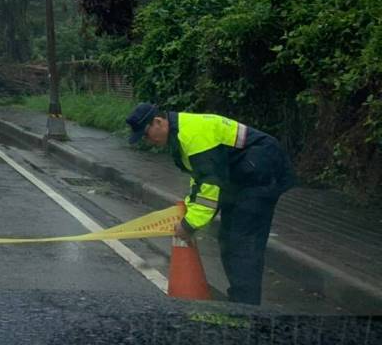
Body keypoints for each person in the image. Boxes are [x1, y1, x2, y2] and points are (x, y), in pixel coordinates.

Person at [126, 102, 296, 305]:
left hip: (260, 174)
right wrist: (189, 209)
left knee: (242, 243)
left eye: (146, 134)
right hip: (242, 177)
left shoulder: (194, 136)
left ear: (158, 121)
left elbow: (209, 186)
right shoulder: (181, 135)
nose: (147, 140)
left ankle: (246, 311)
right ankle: (241, 303)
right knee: (229, 239)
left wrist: (189, 225)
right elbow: (200, 178)